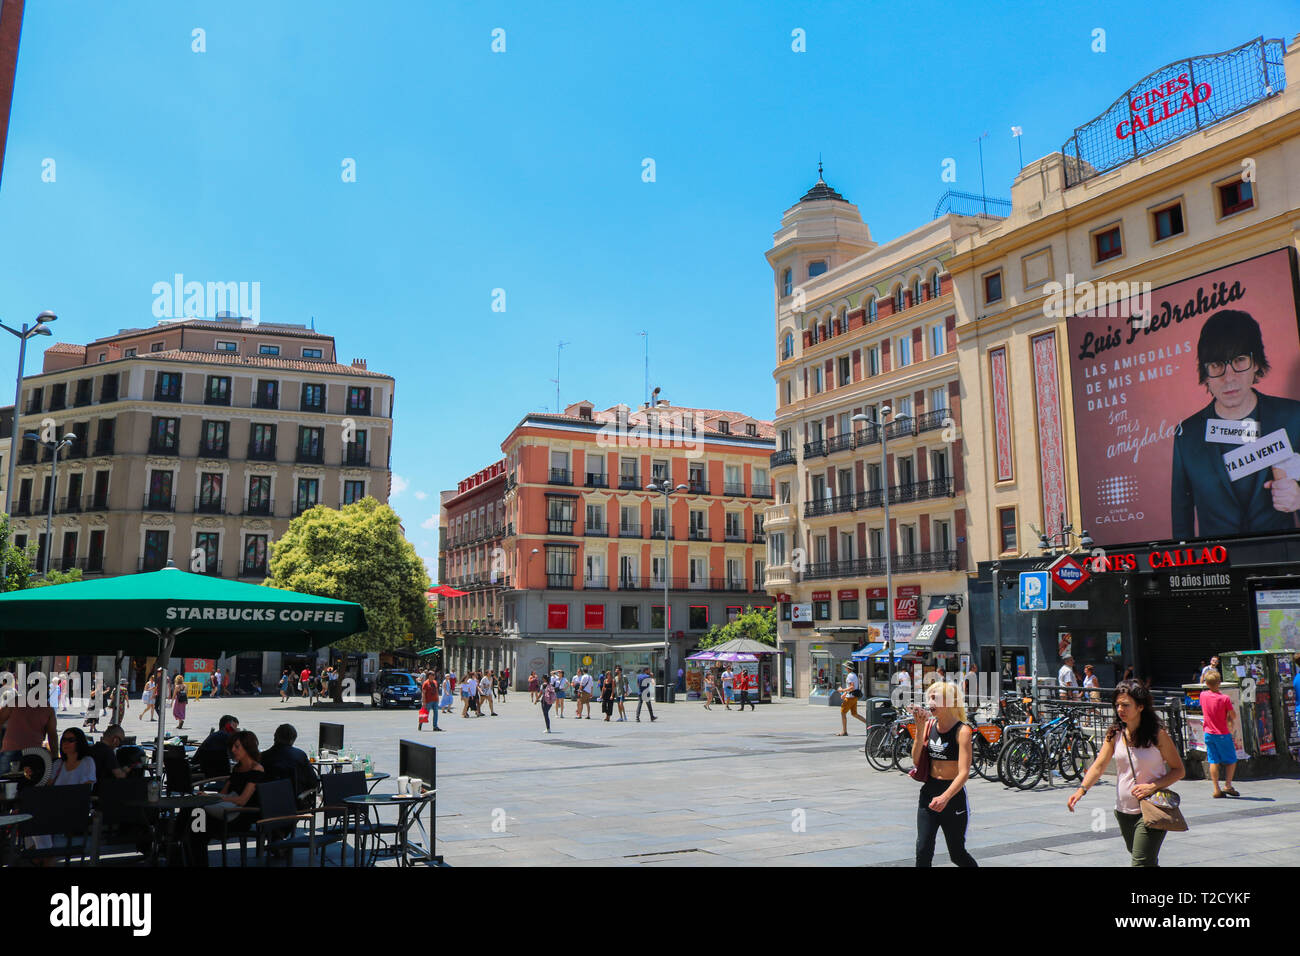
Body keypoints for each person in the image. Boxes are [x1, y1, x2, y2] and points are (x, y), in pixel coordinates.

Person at [1170, 309, 1300, 538]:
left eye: (1240, 360)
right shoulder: (1186, 436)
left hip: (1284, 565)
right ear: (1206, 372)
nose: (1228, 377)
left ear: (1256, 364)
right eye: (1217, 365)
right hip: (1217, 567)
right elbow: (1182, 520)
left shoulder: (1293, 416)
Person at [1068, 679, 1185, 867]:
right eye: (1117, 705)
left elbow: (1179, 770)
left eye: (1126, 705)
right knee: (1145, 861)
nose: (1120, 709)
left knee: (1140, 862)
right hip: (1123, 811)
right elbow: (1098, 766)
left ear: (1140, 707)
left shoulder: (1157, 734)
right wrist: (1081, 790)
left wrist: (1152, 786)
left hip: (1153, 808)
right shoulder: (1115, 733)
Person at [911, 681, 977, 867]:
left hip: (953, 796)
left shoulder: (962, 731)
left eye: (935, 698)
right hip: (930, 793)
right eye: (929, 697)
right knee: (923, 850)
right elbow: (916, 761)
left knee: (957, 854)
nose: (929, 702)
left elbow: (964, 773)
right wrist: (919, 727)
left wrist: (945, 797)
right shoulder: (930, 724)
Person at [260, 724, 321, 808]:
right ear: (293, 740)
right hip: (295, 805)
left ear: (275, 737)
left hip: (267, 806)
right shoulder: (300, 755)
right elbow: (313, 782)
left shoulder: (262, 756)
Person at [1199, 670, 1239, 798]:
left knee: (1213, 760)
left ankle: (1216, 789)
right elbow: (1233, 716)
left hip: (1208, 733)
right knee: (1231, 759)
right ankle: (1228, 785)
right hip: (1222, 732)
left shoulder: (1203, 695)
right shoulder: (1224, 698)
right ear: (1219, 683)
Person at [0, 697, 58, 775]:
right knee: (32, 783)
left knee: (5, 781)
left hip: (12, 750)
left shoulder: (16, 701)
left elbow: (52, 735)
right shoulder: (48, 708)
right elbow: (52, 735)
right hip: (34, 752)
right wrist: (55, 757)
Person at [196, 715, 240, 779]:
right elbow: (236, 757)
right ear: (228, 726)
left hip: (205, 769)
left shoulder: (216, 735)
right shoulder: (225, 736)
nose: (236, 729)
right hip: (217, 773)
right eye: (235, 727)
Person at [837, 664, 865, 735]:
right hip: (854, 697)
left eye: (845, 667)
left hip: (850, 698)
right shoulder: (854, 675)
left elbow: (852, 687)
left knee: (843, 713)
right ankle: (869, 724)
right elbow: (852, 687)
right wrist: (845, 693)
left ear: (848, 668)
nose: (845, 668)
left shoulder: (850, 676)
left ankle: (844, 731)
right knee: (854, 714)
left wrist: (842, 690)